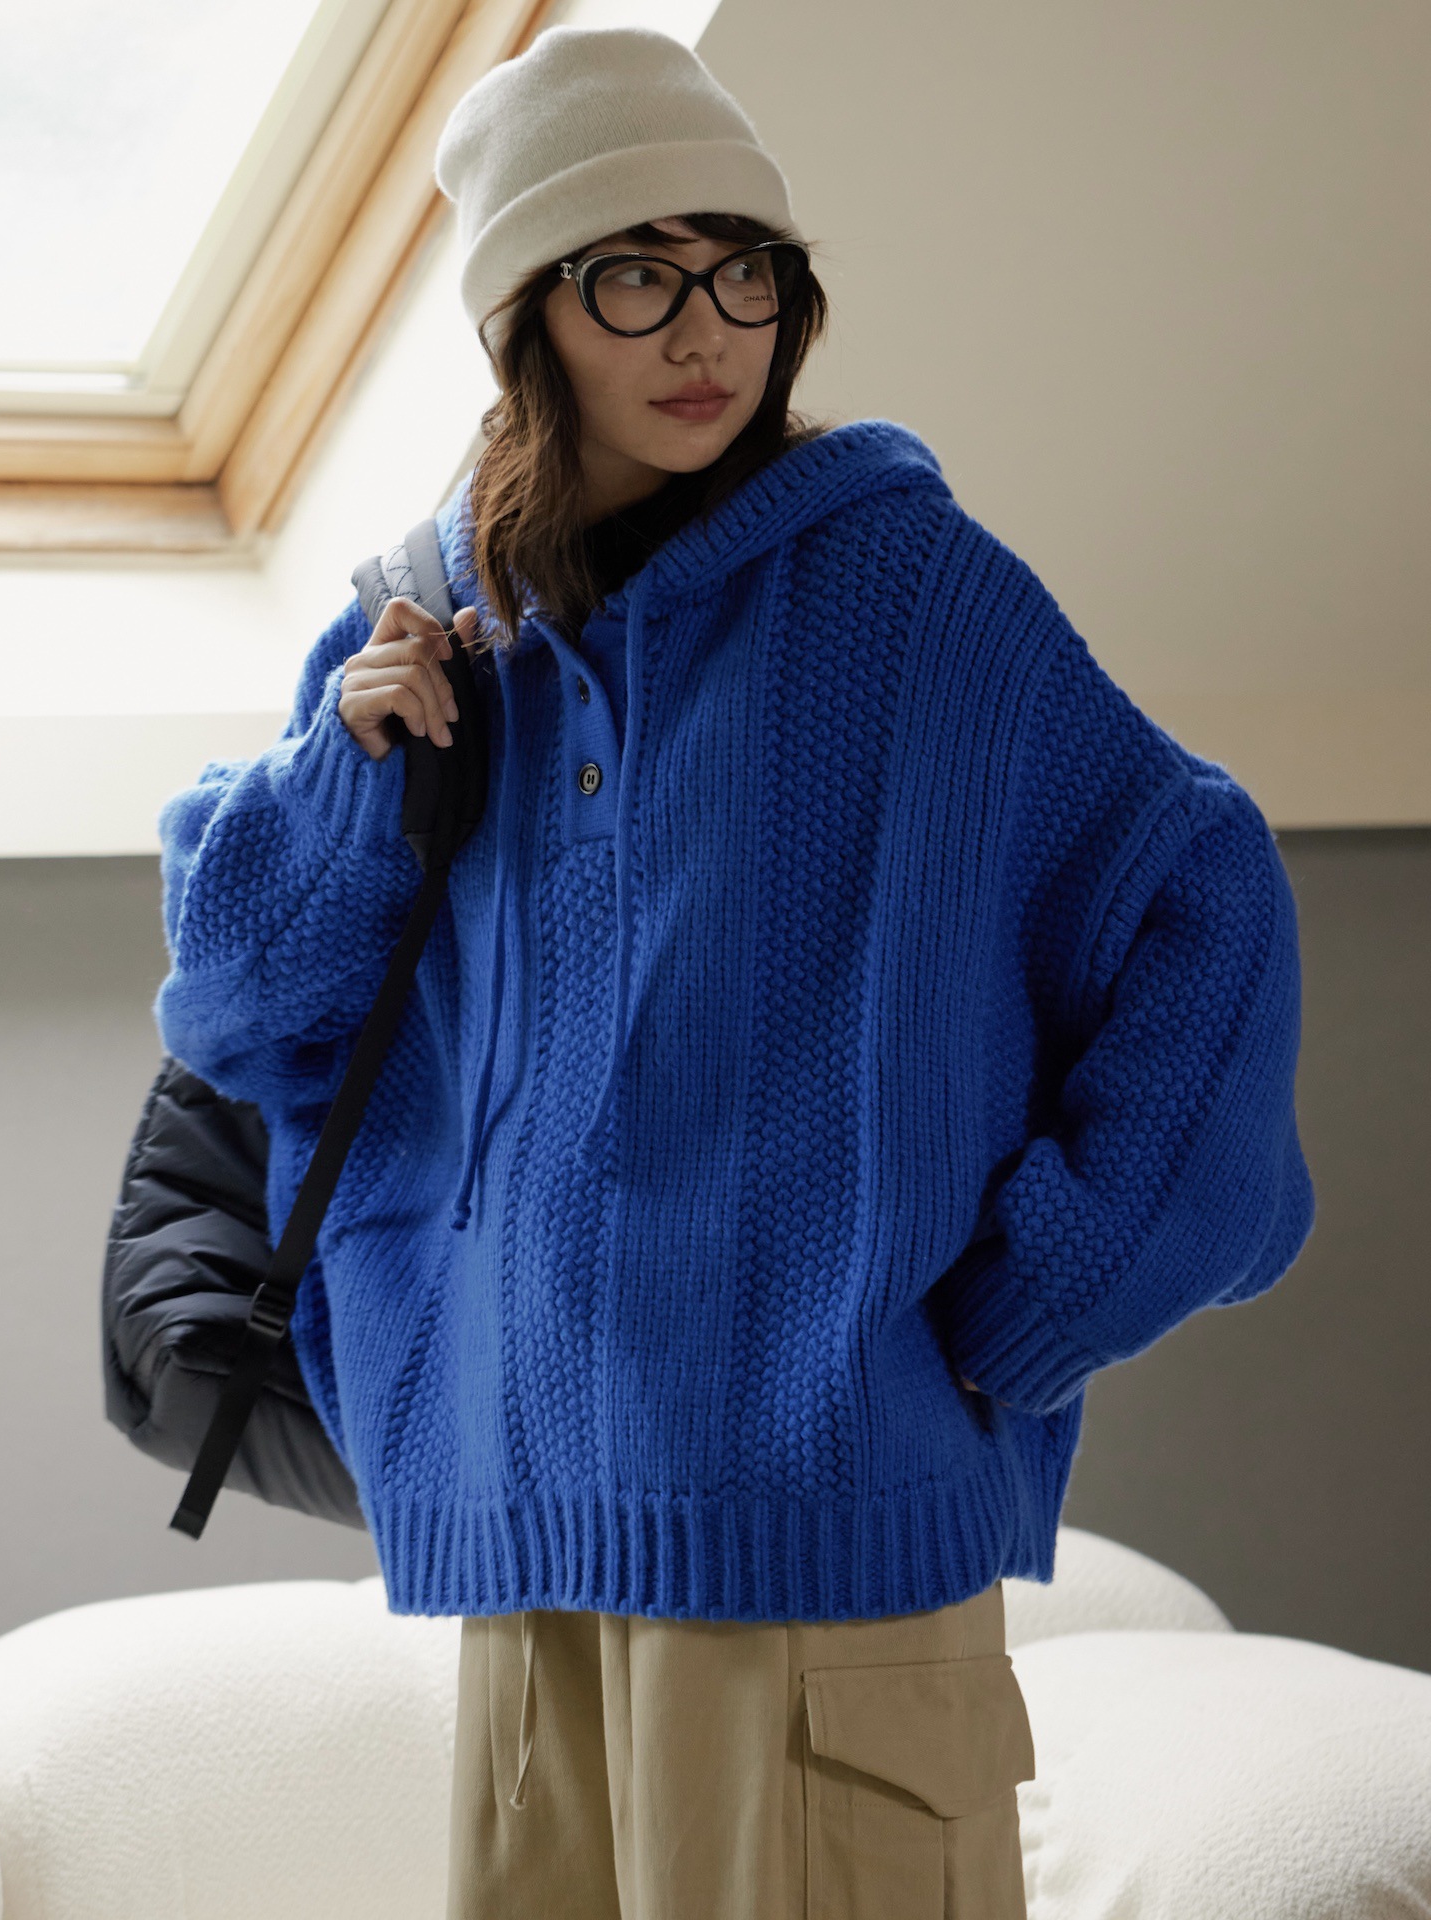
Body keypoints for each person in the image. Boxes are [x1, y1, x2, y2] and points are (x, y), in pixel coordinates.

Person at [151, 24, 1316, 1920]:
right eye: (635, 275)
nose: (706, 332)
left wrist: (1047, 1298)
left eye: (744, 272)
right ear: (527, 318)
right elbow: (238, 1011)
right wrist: (349, 777)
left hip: (822, 1562)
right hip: (521, 1554)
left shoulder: (914, 599)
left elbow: (1207, 894)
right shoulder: (424, 623)